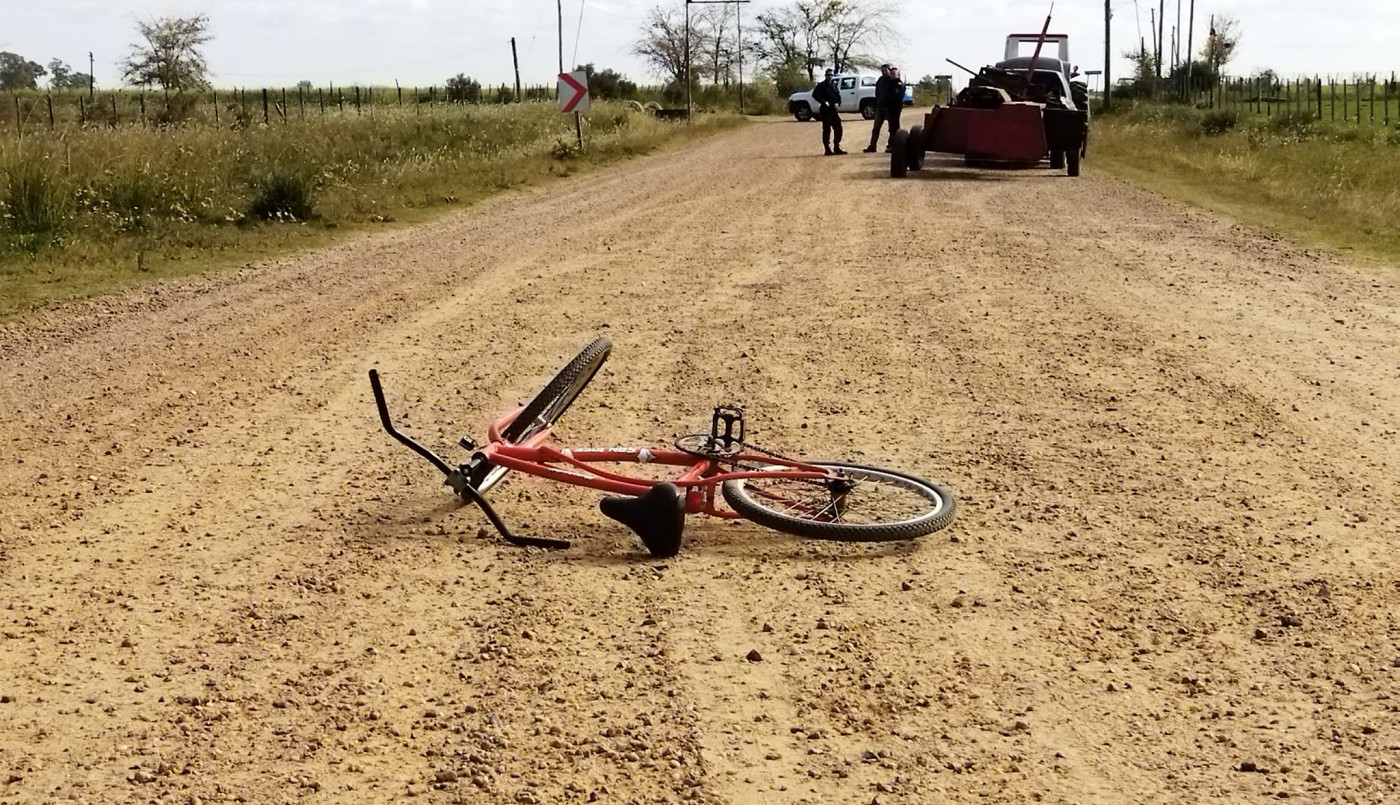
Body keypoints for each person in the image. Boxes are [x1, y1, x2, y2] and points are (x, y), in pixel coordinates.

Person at [866, 64, 906, 153]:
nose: (884, 72)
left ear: (889, 71)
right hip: (880, 107)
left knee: (892, 128)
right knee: (876, 127)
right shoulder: (880, 80)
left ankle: (891, 146)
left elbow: (896, 95)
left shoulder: (893, 81)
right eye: (882, 70)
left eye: (886, 70)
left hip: (890, 108)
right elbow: (877, 92)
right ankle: (872, 146)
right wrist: (877, 102)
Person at [812, 69, 845, 155]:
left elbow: (838, 95)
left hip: (834, 110)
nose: (830, 77)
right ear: (825, 75)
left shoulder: (834, 85)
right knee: (827, 130)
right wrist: (823, 101)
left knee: (838, 128)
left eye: (831, 75)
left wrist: (838, 103)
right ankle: (827, 149)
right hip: (825, 110)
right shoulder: (821, 86)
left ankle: (836, 147)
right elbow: (815, 95)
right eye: (828, 75)